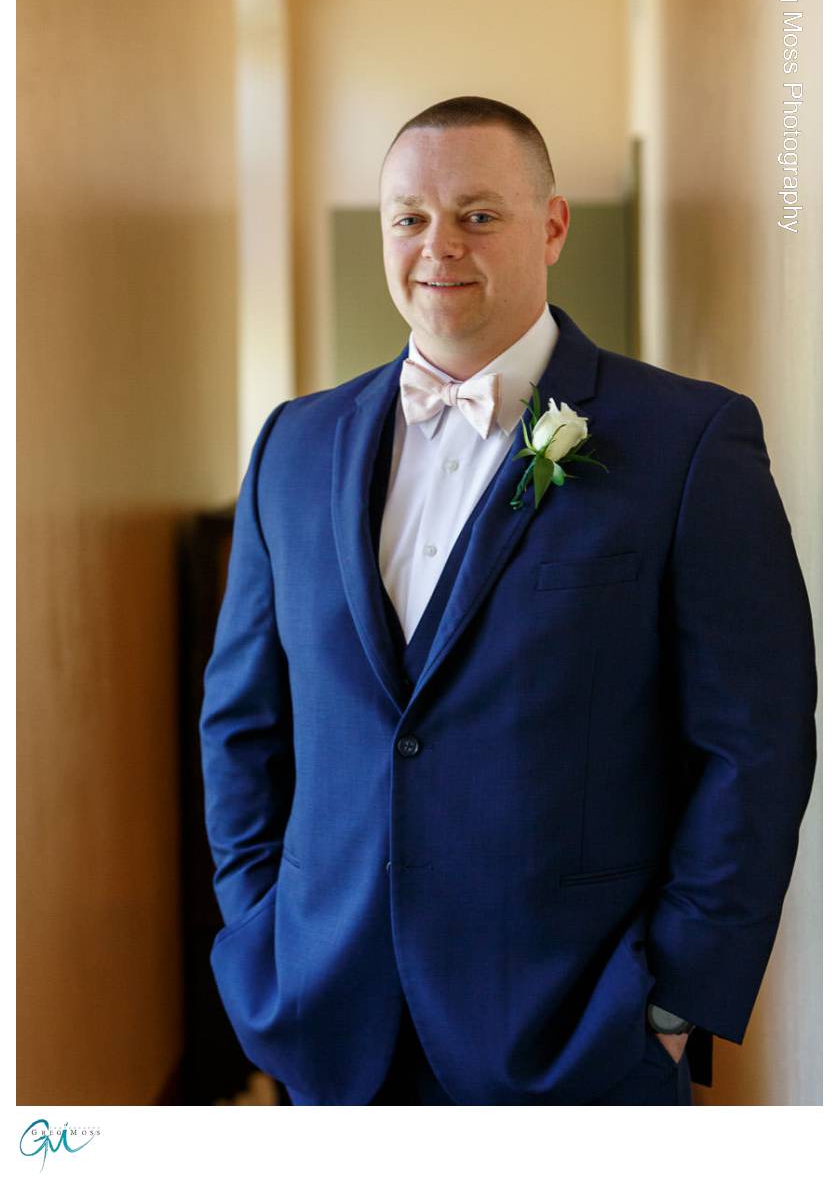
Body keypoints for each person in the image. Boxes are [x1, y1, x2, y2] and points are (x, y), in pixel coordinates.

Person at [200, 96, 817, 1106]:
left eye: (477, 214)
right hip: (329, 1016)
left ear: (552, 225)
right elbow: (241, 721)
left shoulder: (687, 442)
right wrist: (260, 930)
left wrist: (672, 1001)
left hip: (577, 1031)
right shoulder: (291, 447)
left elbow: (752, 741)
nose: (437, 244)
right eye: (408, 217)